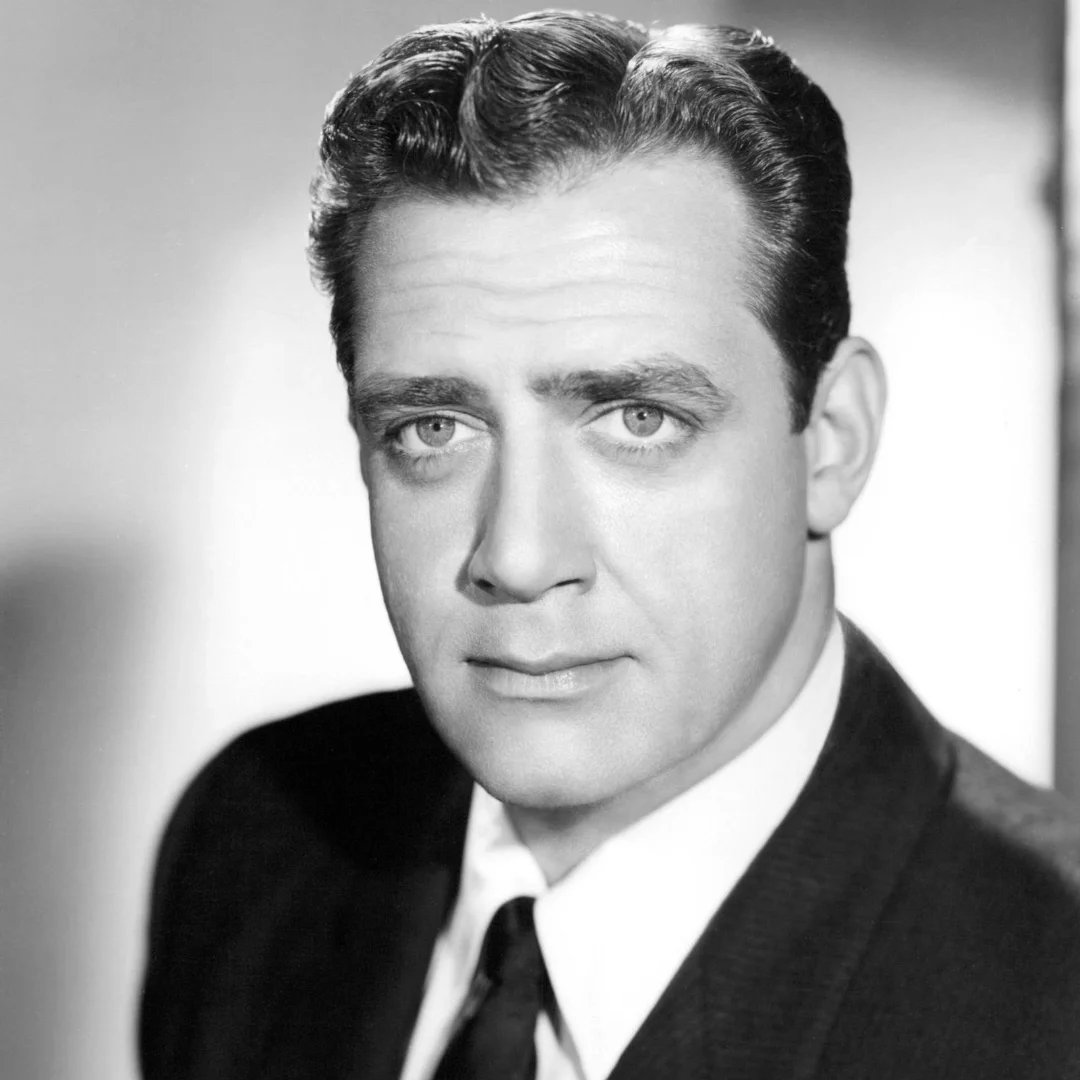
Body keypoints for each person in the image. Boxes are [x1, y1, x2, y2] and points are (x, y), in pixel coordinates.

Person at [139, 11, 1080, 1080]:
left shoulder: (1052, 993)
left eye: (639, 419)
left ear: (832, 438)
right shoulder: (260, 840)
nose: (520, 556)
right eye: (432, 429)